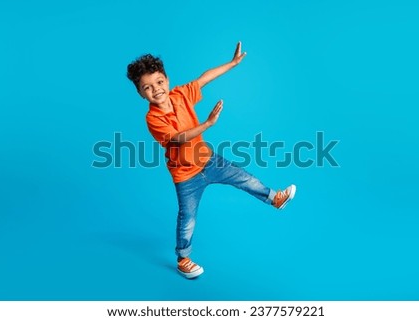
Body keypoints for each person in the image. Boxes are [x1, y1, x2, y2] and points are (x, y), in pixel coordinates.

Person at [127, 42, 296, 279]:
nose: (156, 89)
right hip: (186, 175)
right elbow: (177, 139)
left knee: (245, 178)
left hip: (209, 160)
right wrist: (206, 124)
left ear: (167, 79)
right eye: (147, 87)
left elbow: (204, 78)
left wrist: (233, 63)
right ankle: (183, 259)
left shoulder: (181, 95)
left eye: (159, 82)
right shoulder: (152, 119)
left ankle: (274, 199)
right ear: (140, 93)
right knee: (187, 217)